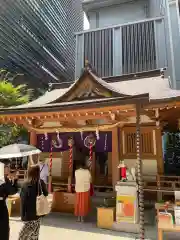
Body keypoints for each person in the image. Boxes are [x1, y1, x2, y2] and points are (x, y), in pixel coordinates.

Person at [19, 164, 48, 240]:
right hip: (37, 214)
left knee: (23, 237)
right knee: (34, 236)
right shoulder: (40, 183)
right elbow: (46, 193)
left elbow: (22, 200)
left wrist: (22, 215)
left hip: (27, 215)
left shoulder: (25, 184)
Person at [0, 162, 18, 240]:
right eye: (5, 168)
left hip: (2, 205)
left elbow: (12, 191)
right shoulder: (4, 180)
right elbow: (12, 191)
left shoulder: (5, 180)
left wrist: (13, 180)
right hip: (1, 207)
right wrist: (15, 181)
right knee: (3, 229)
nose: (7, 170)